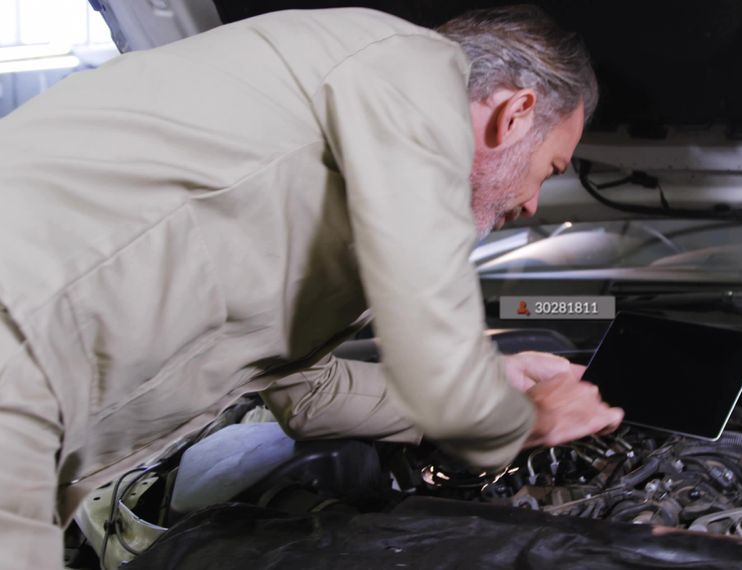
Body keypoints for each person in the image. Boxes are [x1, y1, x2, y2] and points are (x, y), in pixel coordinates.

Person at [0, 5, 623, 567]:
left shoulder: (326, 189)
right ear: (515, 114)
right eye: (550, 168)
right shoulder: (411, 65)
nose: (533, 202)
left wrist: (490, 379)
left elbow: (305, 390)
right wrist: (509, 420)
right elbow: (436, 350)